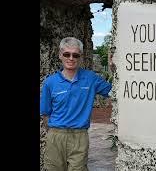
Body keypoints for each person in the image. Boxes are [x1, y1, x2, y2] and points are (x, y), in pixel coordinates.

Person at [40, 37, 112, 171]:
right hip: (56, 136)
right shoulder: (50, 82)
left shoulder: (90, 78)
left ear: (80, 57)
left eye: (75, 55)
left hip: (79, 136)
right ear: (60, 55)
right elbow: (46, 114)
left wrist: (114, 67)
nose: (71, 58)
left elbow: (114, 91)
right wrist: (54, 133)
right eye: (67, 54)